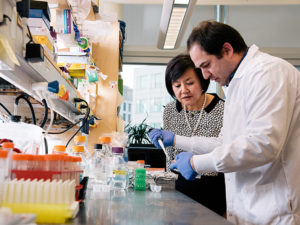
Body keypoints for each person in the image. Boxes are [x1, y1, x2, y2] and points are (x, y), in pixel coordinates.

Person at [149, 20, 300, 225]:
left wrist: (195, 163)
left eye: (206, 65)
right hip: (248, 207)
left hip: (275, 209)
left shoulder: (268, 73)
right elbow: (225, 143)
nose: (206, 76)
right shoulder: (236, 84)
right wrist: (177, 140)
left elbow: (263, 145)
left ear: (227, 50)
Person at [162, 54, 226, 216]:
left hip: (214, 188)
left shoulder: (223, 109)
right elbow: (169, 156)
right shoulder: (170, 111)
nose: (183, 90)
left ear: (202, 81)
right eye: (176, 85)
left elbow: (225, 152)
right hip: (179, 187)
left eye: (189, 83)